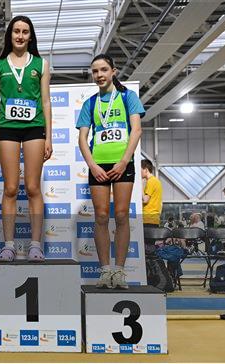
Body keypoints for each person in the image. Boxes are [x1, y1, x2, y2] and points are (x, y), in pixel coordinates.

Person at [76, 53, 144, 289]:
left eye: (103, 70)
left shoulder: (128, 97)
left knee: (122, 215)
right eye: (95, 71)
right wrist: (93, 166)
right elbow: (83, 139)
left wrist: (125, 161)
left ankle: (120, 270)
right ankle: (105, 270)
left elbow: (136, 131)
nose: (99, 75)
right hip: (99, 166)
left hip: (123, 163)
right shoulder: (90, 103)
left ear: (113, 71)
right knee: (102, 216)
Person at [0, 15, 52, 262]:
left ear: (30, 36)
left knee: (34, 187)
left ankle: (36, 244)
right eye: (16, 31)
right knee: (11, 188)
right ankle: (9, 245)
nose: (20, 35)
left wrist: (49, 136)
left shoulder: (41, 64)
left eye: (25, 32)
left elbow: (45, 101)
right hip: (7, 129)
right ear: (10, 35)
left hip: (34, 127)